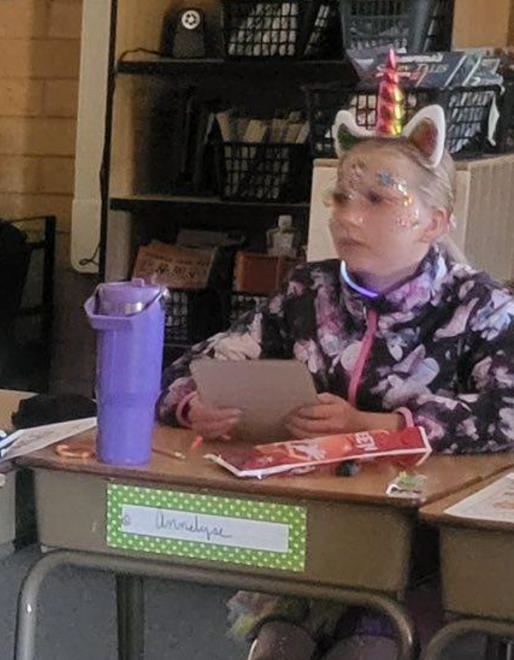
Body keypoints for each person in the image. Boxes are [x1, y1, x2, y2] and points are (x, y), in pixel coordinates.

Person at [159, 107, 514, 659]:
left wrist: (380, 428)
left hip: (428, 556)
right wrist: (193, 404)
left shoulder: (481, 307)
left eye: (376, 199)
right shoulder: (308, 293)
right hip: (314, 539)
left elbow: (508, 410)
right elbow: (193, 365)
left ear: (434, 221)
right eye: (341, 199)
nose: (348, 216)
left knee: (367, 650)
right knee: (278, 648)